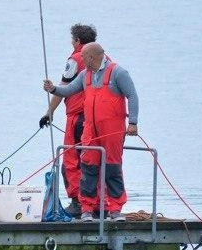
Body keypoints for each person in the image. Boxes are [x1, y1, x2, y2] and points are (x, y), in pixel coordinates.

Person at [43, 42, 138, 221]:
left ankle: (115, 210)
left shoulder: (118, 73)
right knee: (88, 168)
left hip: (112, 130)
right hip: (90, 130)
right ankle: (86, 209)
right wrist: (53, 89)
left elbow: (132, 95)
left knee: (112, 168)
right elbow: (69, 90)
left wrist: (132, 122)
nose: (82, 60)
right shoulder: (85, 75)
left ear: (92, 57)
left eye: (84, 57)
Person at [38, 23, 99, 216]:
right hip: (97, 119)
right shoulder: (102, 59)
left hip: (78, 117)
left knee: (72, 162)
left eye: (72, 39)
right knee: (94, 159)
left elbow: (64, 88)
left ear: (78, 41)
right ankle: (97, 203)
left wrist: (49, 112)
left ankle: (78, 202)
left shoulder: (75, 59)